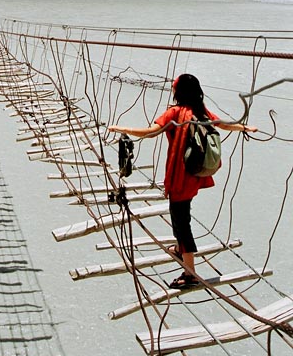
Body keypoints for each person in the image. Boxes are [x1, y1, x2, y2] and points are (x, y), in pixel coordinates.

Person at [107, 73, 258, 289]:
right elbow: (223, 125)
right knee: (180, 213)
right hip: (192, 175)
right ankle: (179, 248)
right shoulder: (200, 110)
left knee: (181, 222)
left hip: (179, 177)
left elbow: (151, 132)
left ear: (180, 91)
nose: (172, 86)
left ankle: (190, 274)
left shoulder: (175, 112)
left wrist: (122, 129)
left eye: (174, 85)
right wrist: (244, 127)